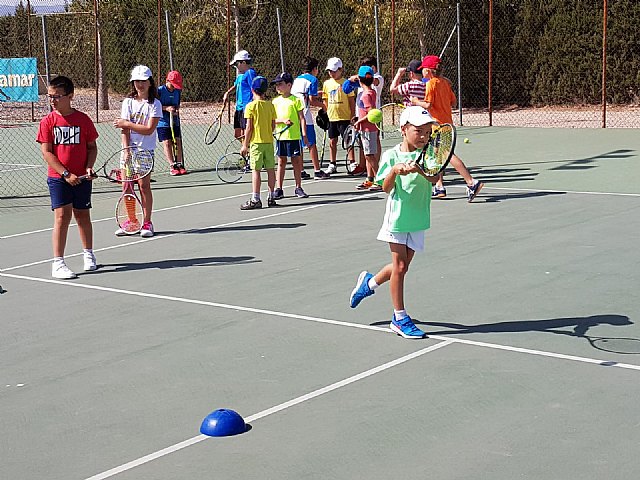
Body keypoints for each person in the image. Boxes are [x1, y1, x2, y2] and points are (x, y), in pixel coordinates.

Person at [349, 106, 440, 339]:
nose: (423, 136)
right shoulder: (391, 156)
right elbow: (385, 188)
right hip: (398, 218)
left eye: (427, 132)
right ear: (403, 129)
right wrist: (396, 171)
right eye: (418, 131)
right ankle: (399, 318)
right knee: (399, 267)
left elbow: (434, 177)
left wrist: (419, 170)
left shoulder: (429, 153)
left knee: (402, 267)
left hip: (419, 218)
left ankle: (369, 284)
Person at [37, 75, 99, 279]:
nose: (53, 100)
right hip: (58, 178)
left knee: (82, 215)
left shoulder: (83, 120)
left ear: (70, 96)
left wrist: (89, 167)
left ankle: (88, 255)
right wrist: (65, 174)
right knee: (62, 217)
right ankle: (58, 263)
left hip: (81, 177)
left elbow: (91, 147)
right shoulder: (48, 122)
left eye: (57, 96)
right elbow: (47, 153)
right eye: (50, 96)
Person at [411, 55, 484, 202]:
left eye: (423, 70)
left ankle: (471, 182)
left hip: (438, 126)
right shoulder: (445, 83)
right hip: (446, 123)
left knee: (448, 156)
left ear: (428, 71)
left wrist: (416, 101)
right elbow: (453, 101)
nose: (422, 73)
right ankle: (439, 187)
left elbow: (428, 105)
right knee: (439, 157)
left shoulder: (431, 84)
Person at [113, 65, 162, 237]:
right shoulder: (127, 102)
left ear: (150, 82)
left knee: (143, 186)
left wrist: (126, 123)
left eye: (143, 81)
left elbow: (149, 129)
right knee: (126, 186)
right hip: (128, 151)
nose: (139, 84)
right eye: (136, 81)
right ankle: (132, 221)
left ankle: (147, 222)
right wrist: (126, 150)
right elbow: (124, 130)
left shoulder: (155, 104)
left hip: (145, 152)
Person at [239, 76, 278, 210]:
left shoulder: (250, 106)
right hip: (268, 142)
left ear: (252, 89)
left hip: (256, 143)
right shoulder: (270, 105)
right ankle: (271, 196)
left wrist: (245, 144)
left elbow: (249, 128)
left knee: (256, 170)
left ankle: (256, 199)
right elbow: (273, 125)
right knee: (270, 169)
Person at [343, 56, 384, 175]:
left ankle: (378, 176)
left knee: (372, 150)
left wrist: (359, 121)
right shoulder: (365, 88)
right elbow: (346, 88)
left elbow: (374, 81)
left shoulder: (377, 80)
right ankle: (369, 175)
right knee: (365, 149)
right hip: (361, 119)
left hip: (370, 121)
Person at [291, 56, 330, 180]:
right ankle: (317, 171)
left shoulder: (297, 80)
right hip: (304, 114)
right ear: (315, 69)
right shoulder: (313, 79)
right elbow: (312, 101)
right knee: (311, 144)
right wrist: (323, 106)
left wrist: (317, 93)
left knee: (300, 143)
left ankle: (301, 171)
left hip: (293, 113)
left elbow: (305, 94)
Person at [271, 72, 308, 199]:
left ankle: (298, 187)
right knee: (281, 162)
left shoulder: (296, 100)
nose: (277, 87)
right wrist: (282, 121)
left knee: (296, 162)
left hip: (294, 137)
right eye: (276, 85)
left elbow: (302, 118)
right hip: (281, 137)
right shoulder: (275, 102)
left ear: (289, 85)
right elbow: (272, 120)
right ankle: (279, 189)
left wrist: (304, 134)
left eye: (280, 84)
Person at [321, 57, 355, 174]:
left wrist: (352, 115)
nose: (332, 73)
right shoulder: (326, 84)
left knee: (348, 140)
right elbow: (325, 99)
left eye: (334, 71)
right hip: (332, 118)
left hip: (345, 117)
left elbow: (351, 100)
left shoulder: (347, 83)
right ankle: (332, 163)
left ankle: (352, 163)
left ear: (341, 69)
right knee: (332, 141)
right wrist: (326, 113)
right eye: (330, 71)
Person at [351, 65, 381, 192]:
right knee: (368, 154)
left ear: (360, 79)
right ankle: (370, 178)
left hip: (368, 129)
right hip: (366, 129)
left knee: (369, 155)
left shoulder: (365, 95)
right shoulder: (371, 92)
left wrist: (359, 121)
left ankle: (380, 179)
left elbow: (371, 113)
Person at [223, 50, 257, 141]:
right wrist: (227, 93)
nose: (236, 67)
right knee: (238, 134)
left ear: (244, 62)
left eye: (237, 64)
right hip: (239, 108)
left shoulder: (250, 73)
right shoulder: (241, 76)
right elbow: (236, 86)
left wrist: (252, 105)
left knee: (245, 133)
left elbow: (254, 89)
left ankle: (247, 151)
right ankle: (246, 149)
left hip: (246, 108)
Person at [157, 70, 186, 176]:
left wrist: (176, 111)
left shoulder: (177, 91)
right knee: (167, 143)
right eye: (172, 84)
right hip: (162, 122)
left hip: (174, 120)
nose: (174, 87)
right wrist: (166, 108)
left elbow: (177, 105)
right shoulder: (159, 91)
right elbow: (153, 106)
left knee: (178, 141)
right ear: (167, 80)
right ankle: (172, 165)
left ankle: (179, 164)